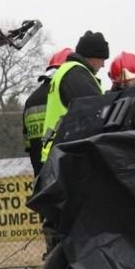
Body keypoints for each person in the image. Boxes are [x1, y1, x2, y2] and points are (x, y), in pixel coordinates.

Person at [40, 31, 110, 162]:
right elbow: (95, 115)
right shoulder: (78, 75)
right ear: (92, 56)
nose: (103, 64)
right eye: (102, 59)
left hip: (58, 152)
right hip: (66, 155)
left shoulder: (67, 71)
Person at [23, 48, 72, 176]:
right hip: (62, 171)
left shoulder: (30, 101)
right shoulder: (64, 93)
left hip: (40, 174)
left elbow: (28, 143)